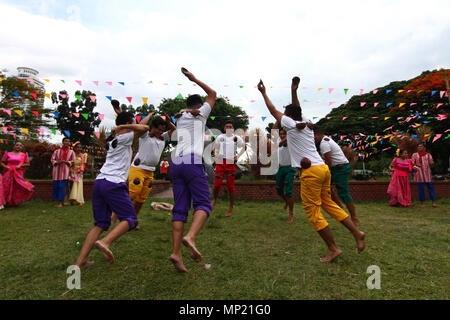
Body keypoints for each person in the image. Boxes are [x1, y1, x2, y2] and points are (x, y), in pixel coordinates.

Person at [257, 78, 365, 263]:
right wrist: (294, 91)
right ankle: (357, 232)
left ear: (288, 116)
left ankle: (333, 249)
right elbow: (296, 108)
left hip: (312, 173)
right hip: (323, 169)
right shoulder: (305, 121)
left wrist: (263, 93)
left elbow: (273, 111)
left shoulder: (291, 124)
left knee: (312, 211)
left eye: (286, 113)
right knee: (329, 204)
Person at [75, 112, 149, 268]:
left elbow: (140, 124)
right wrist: (124, 126)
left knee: (100, 224)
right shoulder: (125, 137)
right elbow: (144, 127)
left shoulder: (113, 139)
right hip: (114, 183)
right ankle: (105, 242)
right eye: (131, 123)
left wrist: (148, 115)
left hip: (100, 182)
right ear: (127, 124)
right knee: (130, 219)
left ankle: (81, 261)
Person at [169, 67, 216, 272]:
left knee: (180, 210)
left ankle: (176, 254)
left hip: (175, 164)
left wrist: (187, 110)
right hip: (191, 162)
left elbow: (181, 113)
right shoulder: (200, 114)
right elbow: (213, 94)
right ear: (199, 105)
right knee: (204, 204)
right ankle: (191, 236)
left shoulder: (181, 117)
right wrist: (193, 78)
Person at [127, 113, 175, 224]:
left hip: (150, 172)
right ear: (152, 127)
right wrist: (149, 115)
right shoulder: (145, 135)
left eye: (162, 130)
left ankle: (132, 219)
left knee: (141, 199)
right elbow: (141, 125)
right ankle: (117, 215)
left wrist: (168, 122)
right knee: (133, 192)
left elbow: (175, 130)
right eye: (158, 129)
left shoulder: (163, 138)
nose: (160, 132)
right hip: (138, 168)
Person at [314, 127, 359, 225]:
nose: (313, 140)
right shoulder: (326, 140)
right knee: (326, 186)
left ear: (317, 134)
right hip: (336, 168)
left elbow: (328, 160)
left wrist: (325, 171)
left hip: (340, 169)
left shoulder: (324, 143)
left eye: (313, 137)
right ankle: (338, 205)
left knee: (344, 193)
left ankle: (354, 217)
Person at [211, 120, 245, 217]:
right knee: (216, 185)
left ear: (233, 129)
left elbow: (244, 147)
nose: (229, 128)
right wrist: (215, 153)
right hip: (220, 162)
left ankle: (231, 207)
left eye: (230, 126)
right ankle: (215, 200)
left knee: (230, 187)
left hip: (231, 162)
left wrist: (237, 157)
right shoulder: (220, 137)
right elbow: (215, 148)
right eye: (227, 126)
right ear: (224, 128)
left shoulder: (236, 138)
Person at [272, 120, 296, 223]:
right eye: (281, 134)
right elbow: (273, 130)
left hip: (290, 169)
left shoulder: (291, 141)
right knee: (278, 189)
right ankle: (286, 202)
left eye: (283, 134)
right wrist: (278, 120)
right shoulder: (277, 141)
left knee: (288, 191)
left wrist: (287, 136)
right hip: (280, 168)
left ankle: (291, 213)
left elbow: (288, 139)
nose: (281, 135)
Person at [1, 142, 34, 207]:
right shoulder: (8, 154)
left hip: (18, 172)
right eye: (17, 145)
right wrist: (6, 167)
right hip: (8, 172)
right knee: (7, 186)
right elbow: (2, 162)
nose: (18, 146)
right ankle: (6, 201)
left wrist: (21, 165)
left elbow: (28, 164)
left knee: (17, 187)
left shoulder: (24, 155)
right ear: (14, 146)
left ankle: (15, 202)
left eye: (20, 146)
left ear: (22, 148)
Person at [51, 137, 75, 207]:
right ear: (62, 142)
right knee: (56, 187)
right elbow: (52, 159)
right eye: (65, 141)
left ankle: (60, 203)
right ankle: (59, 201)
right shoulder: (56, 151)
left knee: (62, 187)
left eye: (68, 141)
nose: (67, 143)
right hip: (56, 172)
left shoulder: (71, 152)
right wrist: (58, 162)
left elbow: (73, 161)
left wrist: (67, 162)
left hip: (65, 173)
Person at [411, 143, 436, 208]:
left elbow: (431, 162)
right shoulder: (414, 155)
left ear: (424, 148)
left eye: (420, 147)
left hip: (427, 174)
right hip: (419, 175)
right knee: (421, 189)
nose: (419, 148)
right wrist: (414, 166)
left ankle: (433, 202)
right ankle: (422, 203)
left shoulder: (428, 155)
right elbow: (412, 164)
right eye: (418, 147)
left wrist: (432, 162)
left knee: (431, 188)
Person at [69, 142, 87, 206]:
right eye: (78, 147)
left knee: (79, 185)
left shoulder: (83, 155)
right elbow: (70, 163)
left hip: (79, 172)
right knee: (73, 185)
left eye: (80, 147)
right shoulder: (72, 154)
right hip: (72, 171)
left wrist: (80, 170)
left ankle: (80, 200)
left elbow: (83, 164)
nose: (79, 149)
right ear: (75, 148)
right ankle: (72, 199)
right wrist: (71, 171)